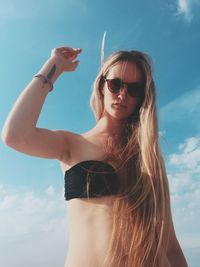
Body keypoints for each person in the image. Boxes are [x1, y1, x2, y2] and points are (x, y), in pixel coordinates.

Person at [1, 45, 188, 267]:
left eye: (134, 89)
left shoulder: (149, 158)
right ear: (101, 86)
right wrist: (55, 66)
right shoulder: (71, 144)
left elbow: (169, 243)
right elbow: (15, 135)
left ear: (142, 97)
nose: (122, 94)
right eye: (115, 84)